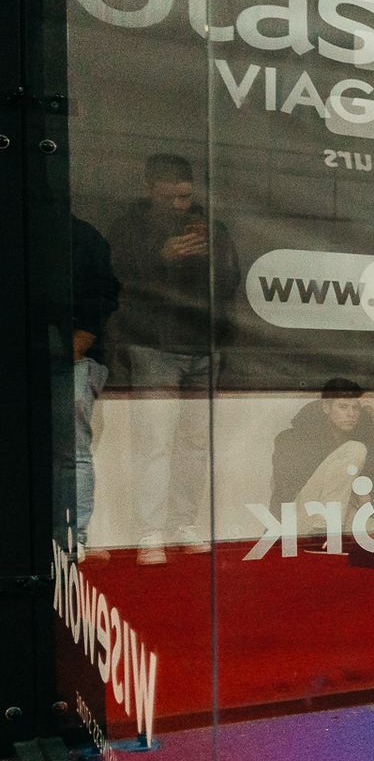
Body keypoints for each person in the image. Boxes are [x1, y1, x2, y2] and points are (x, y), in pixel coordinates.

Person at [110, 153, 238, 564]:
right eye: (171, 197)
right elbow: (117, 280)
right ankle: (149, 532)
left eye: (186, 196)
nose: (180, 204)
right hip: (153, 346)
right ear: (151, 189)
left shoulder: (211, 228)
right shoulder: (130, 228)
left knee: (195, 444)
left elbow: (231, 281)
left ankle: (183, 522)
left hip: (203, 345)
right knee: (155, 443)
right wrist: (160, 258)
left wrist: (207, 258)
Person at [270, 378, 374, 543]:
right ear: (326, 408)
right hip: (303, 518)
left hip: (346, 515)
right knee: (355, 449)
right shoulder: (293, 437)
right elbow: (288, 488)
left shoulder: (365, 438)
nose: (351, 414)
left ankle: (333, 531)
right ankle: (325, 530)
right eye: (343, 407)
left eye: (355, 407)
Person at [60, 216, 119, 562]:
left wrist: (82, 338)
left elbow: (104, 293)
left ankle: (74, 538)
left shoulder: (82, 235)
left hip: (76, 356)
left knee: (73, 451)